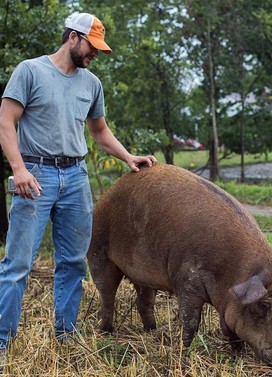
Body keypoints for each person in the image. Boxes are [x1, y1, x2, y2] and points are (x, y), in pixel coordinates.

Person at [0, 12, 157, 369]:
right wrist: (19, 169)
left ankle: (66, 333)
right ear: (73, 37)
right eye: (92, 46)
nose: (95, 55)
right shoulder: (30, 71)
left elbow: (99, 132)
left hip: (75, 177)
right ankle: (2, 340)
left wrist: (127, 156)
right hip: (35, 174)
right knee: (18, 264)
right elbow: (5, 121)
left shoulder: (91, 84)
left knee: (72, 262)